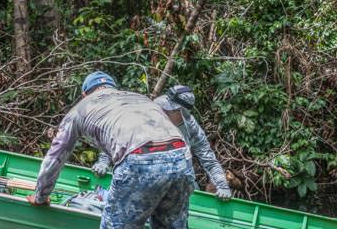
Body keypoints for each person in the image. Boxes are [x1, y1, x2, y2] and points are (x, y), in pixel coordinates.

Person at [26, 71, 194, 229]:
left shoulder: (80, 109)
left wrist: (41, 195)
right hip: (180, 155)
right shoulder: (138, 98)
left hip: (140, 158)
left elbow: (56, 156)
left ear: (85, 93)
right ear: (114, 88)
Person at [91, 84, 233, 200]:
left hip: (178, 182)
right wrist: (103, 161)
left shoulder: (191, 128)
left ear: (180, 112)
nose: (163, 110)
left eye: (168, 109)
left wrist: (222, 185)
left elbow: (208, 159)